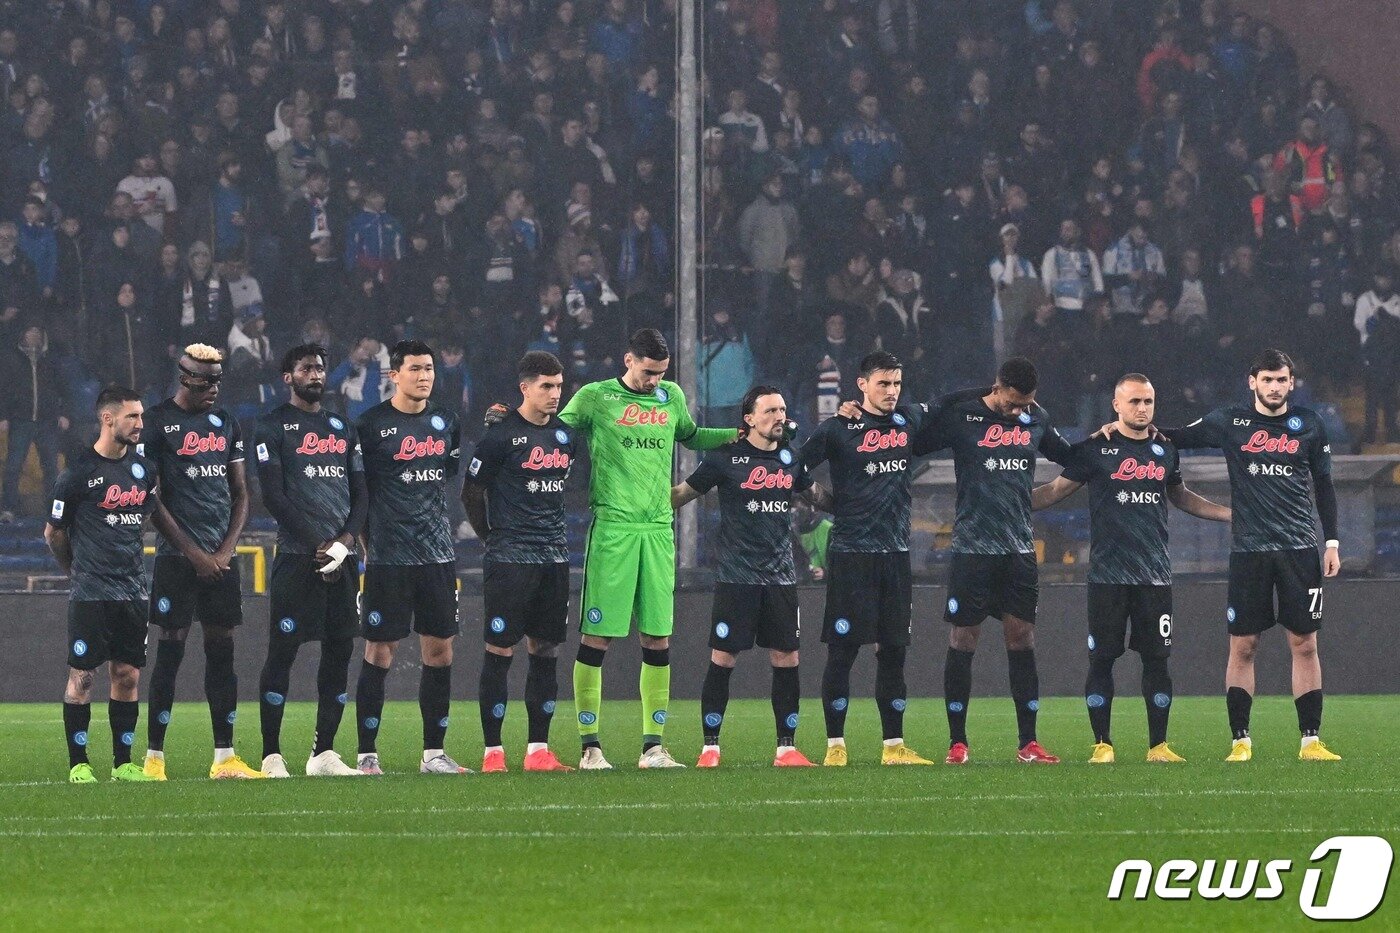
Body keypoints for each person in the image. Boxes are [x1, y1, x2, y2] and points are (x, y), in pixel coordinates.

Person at [490, 328, 737, 769]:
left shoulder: (670, 396)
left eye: (661, 374)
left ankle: (653, 748)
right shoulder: (595, 398)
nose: (654, 382)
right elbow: (549, 429)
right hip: (613, 529)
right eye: (647, 373)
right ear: (628, 360)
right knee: (596, 637)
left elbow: (693, 435)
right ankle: (590, 747)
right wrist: (508, 419)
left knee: (658, 638)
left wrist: (738, 433)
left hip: (659, 529)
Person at [1105, 349, 1342, 762]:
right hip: (1249, 550)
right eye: (1266, 380)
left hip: (1299, 549)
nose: (1274, 387)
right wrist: (1124, 427)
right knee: (1243, 645)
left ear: (1291, 383)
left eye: (1281, 380)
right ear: (1252, 382)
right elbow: (1174, 436)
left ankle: (1310, 741)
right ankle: (1240, 741)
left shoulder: (1310, 424)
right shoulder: (1230, 421)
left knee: (1304, 644)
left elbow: (1324, 486)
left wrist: (1332, 543)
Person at [1031, 374, 1230, 762]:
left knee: (1157, 660)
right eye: (1135, 401)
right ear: (1117, 406)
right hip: (1107, 577)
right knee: (1102, 660)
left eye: (1148, 402)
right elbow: (1055, 491)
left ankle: (1159, 746)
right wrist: (1010, 503)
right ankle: (1102, 744)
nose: (1142, 409)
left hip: (1155, 576)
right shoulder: (1095, 449)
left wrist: (1229, 514)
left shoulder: (1165, 451)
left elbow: (1181, 496)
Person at [911, 358, 1074, 764]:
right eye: (1014, 403)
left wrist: (1110, 439)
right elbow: (909, 442)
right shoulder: (962, 415)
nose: (1020, 411)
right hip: (971, 549)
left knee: (1022, 638)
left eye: (1027, 405)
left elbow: (1075, 459)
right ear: (997, 388)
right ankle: (957, 743)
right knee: (963, 639)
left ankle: (1028, 743)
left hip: (1018, 551)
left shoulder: (1035, 419)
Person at [672, 386, 830, 768]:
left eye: (782, 409)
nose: (780, 416)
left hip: (780, 579)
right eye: (771, 410)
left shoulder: (792, 459)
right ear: (749, 419)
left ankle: (786, 748)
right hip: (736, 579)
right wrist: (636, 498)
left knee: (787, 659)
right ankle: (710, 748)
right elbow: (680, 495)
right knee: (723, 659)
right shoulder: (724, 459)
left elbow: (819, 497)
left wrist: (857, 492)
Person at [799, 352, 935, 767]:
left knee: (894, 651)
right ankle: (835, 745)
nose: (892, 392)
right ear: (862, 384)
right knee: (843, 651)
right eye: (883, 384)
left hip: (895, 556)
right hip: (852, 555)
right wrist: (825, 501)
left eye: (896, 384)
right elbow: (792, 468)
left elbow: (956, 412)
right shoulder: (839, 429)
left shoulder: (909, 421)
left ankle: (894, 746)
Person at [138, 344, 260, 781]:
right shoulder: (155, 422)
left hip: (220, 561)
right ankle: (154, 759)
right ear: (184, 377)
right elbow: (149, 497)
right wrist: (194, 554)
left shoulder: (226, 422)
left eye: (218, 380)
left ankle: (224, 757)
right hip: (176, 559)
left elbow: (241, 493)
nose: (213, 388)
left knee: (222, 652)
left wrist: (224, 552)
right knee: (169, 653)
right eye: (206, 380)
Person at [254, 345, 368, 778]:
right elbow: (273, 495)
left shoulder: (342, 427)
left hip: (342, 559)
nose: (316, 374)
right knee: (282, 654)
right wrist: (317, 541)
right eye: (306, 368)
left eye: (320, 367)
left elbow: (362, 493)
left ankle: (323, 753)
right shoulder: (271, 426)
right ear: (288, 376)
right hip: (297, 559)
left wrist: (344, 541)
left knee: (339, 653)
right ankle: (271, 755)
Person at [462, 351, 577, 774]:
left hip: (554, 557)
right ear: (524, 388)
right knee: (500, 649)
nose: (554, 394)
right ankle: (493, 752)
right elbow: (471, 493)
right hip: (510, 558)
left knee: (545, 649)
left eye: (559, 386)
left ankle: (538, 750)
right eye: (546, 386)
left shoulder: (566, 436)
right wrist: (490, 536)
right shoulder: (499, 437)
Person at [354, 340, 465, 776]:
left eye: (430, 369)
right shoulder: (369, 426)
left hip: (437, 556)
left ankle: (433, 754)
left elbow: (445, 483)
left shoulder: (446, 423)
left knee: (440, 652)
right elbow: (359, 494)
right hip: (388, 559)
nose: (424, 376)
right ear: (393, 375)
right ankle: (366, 755)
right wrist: (369, 547)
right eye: (416, 369)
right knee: (379, 651)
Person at [46, 386, 161, 783]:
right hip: (91, 592)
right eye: (132, 417)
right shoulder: (77, 473)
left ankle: (123, 763)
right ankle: (79, 763)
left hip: (133, 591)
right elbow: (53, 533)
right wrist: (74, 571)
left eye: (141, 416)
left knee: (127, 675)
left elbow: (144, 514)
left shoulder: (144, 471)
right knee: (83, 677)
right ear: (107, 418)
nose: (140, 424)